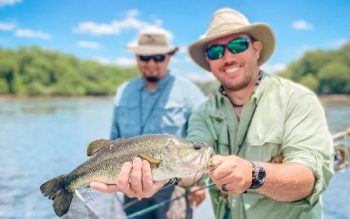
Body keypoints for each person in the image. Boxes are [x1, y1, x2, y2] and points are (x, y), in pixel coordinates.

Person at [91, 8, 334, 219]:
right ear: (209, 60)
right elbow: (191, 165)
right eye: (216, 51)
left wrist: (254, 175)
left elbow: (309, 179)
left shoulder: (297, 100)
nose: (227, 57)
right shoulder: (202, 113)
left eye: (237, 45)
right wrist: (163, 178)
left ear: (257, 49)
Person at [103, 31, 207, 219]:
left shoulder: (189, 92)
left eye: (158, 57)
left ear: (169, 58)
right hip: (131, 187)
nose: (151, 63)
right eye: (145, 57)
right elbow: (113, 142)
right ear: (137, 58)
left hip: (173, 185)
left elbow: (202, 141)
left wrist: (198, 181)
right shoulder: (123, 92)